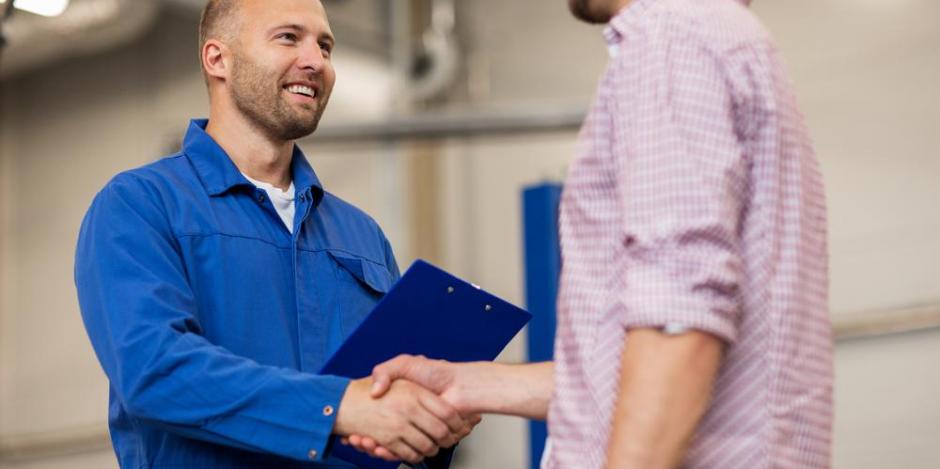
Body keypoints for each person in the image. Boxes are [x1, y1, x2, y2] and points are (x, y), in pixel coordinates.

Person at [346, 0, 833, 467]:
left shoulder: (670, 36)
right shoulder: (718, 36)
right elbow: (650, 352)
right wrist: (466, 384)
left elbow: (680, 319)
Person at [73, 0, 476, 467]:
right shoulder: (141, 206)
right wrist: (339, 408)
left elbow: (388, 398)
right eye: (289, 37)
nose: (315, 61)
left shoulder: (362, 235)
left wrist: (435, 419)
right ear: (217, 59)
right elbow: (155, 372)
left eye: (325, 46)